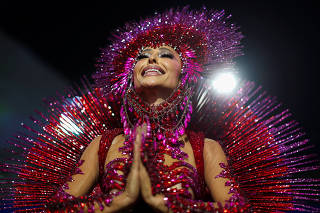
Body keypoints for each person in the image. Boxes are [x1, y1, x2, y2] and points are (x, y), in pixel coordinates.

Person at [1, 6, 319, 213]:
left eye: (165, 54)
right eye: (142, 56)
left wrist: (164, 204)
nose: (151, 59)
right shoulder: (103, 146)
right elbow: (54, 209)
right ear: (129, 78)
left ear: (185, 74)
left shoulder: (205, 149)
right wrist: (119, 201)